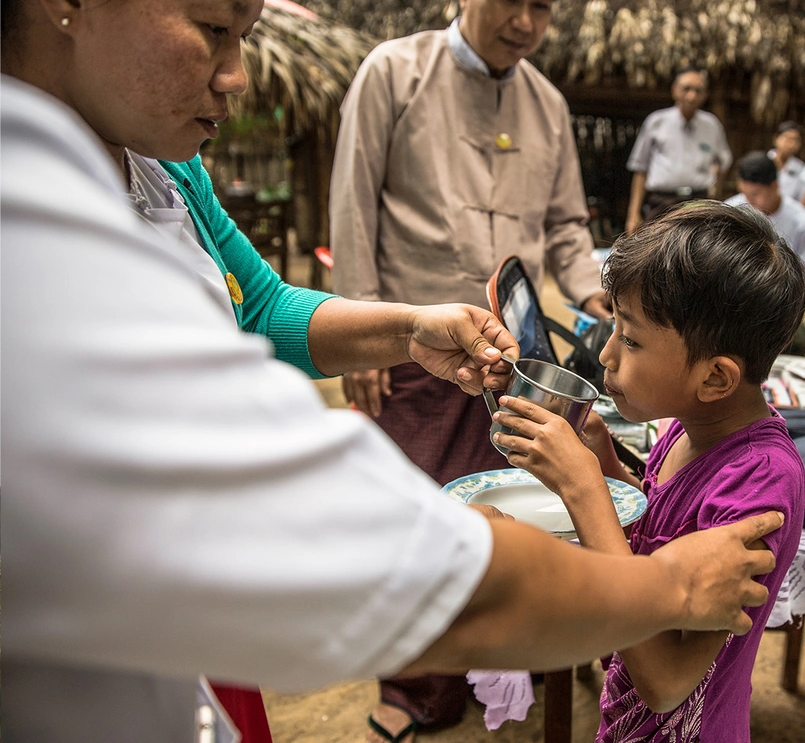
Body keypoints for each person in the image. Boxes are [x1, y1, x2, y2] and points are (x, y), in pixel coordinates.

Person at [1, 2, 786, 742]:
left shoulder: (158, 162)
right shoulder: (35, 244)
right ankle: (418, 695)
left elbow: (259, 302)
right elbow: (392, 561)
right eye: (211, 26)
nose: (236, 74)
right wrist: (668, 583)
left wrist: (408, 327)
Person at [329, 2, 608, 736]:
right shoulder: (393, 72)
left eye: (542, 6)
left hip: (515, 352)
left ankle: (498, 664)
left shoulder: (547, 103)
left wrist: (590, 292)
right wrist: (362, 331)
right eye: (512, 1)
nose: (526, 20)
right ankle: (416, 687)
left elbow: (566, 224)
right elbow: (352, 202)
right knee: (417, 515)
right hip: (410, 344)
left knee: (509, 512)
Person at [492, 201, 805, 742]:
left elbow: (665, 683)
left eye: (631, 339)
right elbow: (661, 532)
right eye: (614, 326)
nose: (606, 355)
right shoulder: (692, 426)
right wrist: (604, 464)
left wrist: (583, 487)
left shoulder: (760, 483)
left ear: (716, 379)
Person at [625, 67, 732, 234]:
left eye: (698, 90)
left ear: (705, 94)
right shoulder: (657, 122)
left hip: (698, 202)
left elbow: (724, 161)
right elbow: (640, 169)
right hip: (662, 202)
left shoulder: (711, 125)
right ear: (674, 89)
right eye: (686, 89)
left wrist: (713, 188)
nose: (691, 96)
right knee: (658, 246)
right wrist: (633, 214)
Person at [725, 151, 805, 260]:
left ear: (774, 186)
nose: (748, 200)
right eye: (744, 193)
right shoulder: (731, 211)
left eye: (754, 194)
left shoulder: (800, 221)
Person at [769, 120, 805, 205]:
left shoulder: (800, 168)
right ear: (776, 138)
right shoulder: (764, 163)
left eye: (796, 140)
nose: (791, 144)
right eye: (787, 138)